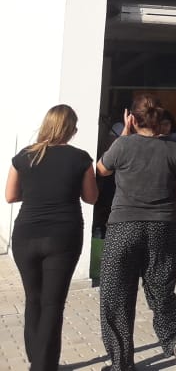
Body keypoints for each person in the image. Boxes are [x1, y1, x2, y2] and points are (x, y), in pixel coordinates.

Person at [96, 93, 176, 371]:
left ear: (132, 118)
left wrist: (124, 133)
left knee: (116, 295)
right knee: (161, 291)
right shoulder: (174, 149)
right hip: (162, 227)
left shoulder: (123, 145)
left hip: (123, 227)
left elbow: (101, 169)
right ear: (159, 119)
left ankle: (121, 364)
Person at [5, 104, 98, 370]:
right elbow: (91, 197)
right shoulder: (80, 158)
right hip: (63, 236)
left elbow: (10, 195)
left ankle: (37, 359)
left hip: (26, 235)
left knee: (33, 299)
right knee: (53, 304)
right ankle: (43, 365)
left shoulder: (24, 156)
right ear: (70, 129)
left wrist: (37, 192)